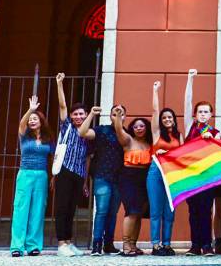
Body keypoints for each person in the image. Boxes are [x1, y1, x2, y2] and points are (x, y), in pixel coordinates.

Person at [78, 104, 125, 256]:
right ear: (109, 116)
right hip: (102, 176)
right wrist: (91, 114)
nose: (117, 116)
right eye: (114, 114)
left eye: (121, 114)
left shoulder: (126, 133)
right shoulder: (102, 130)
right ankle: (96, 245)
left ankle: (109, 244)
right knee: (102, 211)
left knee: (113, 213)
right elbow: (83, 132)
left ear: (125, 117)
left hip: (119, 179)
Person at [10, 95, 54, 257]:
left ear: (41, 122)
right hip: (25, 174)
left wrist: (53, 177)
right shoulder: (24, 135)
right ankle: (17, 246)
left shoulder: (48, 139)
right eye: (31, 119)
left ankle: (33, 245)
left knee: (37, 210)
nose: (32, 121)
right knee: (20, 209)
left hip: (41, 175)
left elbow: (55, 158)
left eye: (35, 118)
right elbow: (22, 123)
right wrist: (31, 110)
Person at [182, 69, 219, 257]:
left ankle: (207, 245)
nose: (203, 114)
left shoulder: (215, 133)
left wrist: (210, 140)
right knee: (193, 211)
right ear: (195, 115)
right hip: (190, 176)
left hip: (208, 178)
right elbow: (187, 103)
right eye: (200, 112)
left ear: (211, 115)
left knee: (206, 211)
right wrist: (190, 79)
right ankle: (195, 245)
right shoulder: (190, 126)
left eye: (206, 112)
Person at [54, 72, 90, 257]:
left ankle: (68, 241)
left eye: (81, 114)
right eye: (75, 114)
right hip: (64, 171)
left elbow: (87, 158)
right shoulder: (67, 125)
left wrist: (85, 181)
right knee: (62, 207)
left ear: (86, 115)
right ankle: (61, 243)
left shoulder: (88, 131)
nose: (78, 116)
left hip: (78, 173)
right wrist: (60, 84)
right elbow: (62, 105)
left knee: (71, 208)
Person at [112, 106, 152, 256]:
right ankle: (126, 245)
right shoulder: (128, 140)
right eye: (135, 126)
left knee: (139, 212)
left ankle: (133, 245)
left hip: (145, 178)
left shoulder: (149, 144)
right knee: (131, 211)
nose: (139, 128)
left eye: (142, 126)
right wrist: (118, 116)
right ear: (132, 129)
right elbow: (118, 130)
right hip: (128, 177)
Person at [148, 80, 182, 256]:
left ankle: (167, 244)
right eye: (164, 118)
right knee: (156, 210)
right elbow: (154, 111)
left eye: (170, 117)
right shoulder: (156, 133)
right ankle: (156, 245)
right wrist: (155, 91)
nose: (167, 119)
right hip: (155, 172)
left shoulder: (179, 136)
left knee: (170, 210)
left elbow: (184, 156)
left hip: (172, 174)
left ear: (174, 120)